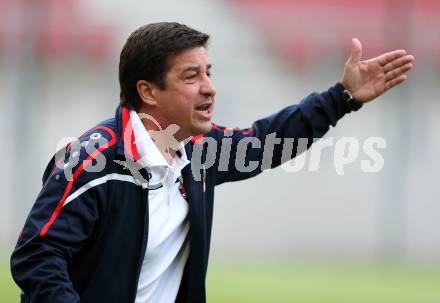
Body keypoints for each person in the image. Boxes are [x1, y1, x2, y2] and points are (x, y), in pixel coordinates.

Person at [10, 22, 414, 303]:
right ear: (148, 91)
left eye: (209, 72)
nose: (210, 87)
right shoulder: (93, 160)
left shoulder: (199, 151)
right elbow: (37, 256)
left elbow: (264, 142)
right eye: (191, 76)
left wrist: (342, 97)